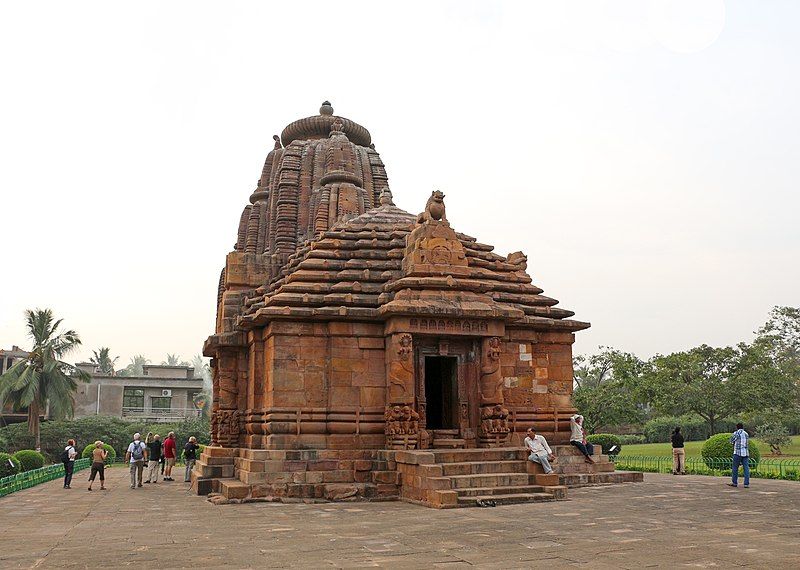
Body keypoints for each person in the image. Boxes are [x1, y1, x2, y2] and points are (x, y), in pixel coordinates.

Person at [728, 423, 750, 488]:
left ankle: (734, 483)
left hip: (737, 452)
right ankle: (746, 484)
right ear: (742, 427)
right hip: (745, 453)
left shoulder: (736, 433)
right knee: (746, 468)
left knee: (735, 468)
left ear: (737, 427)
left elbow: (731, 441)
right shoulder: (746, 434)